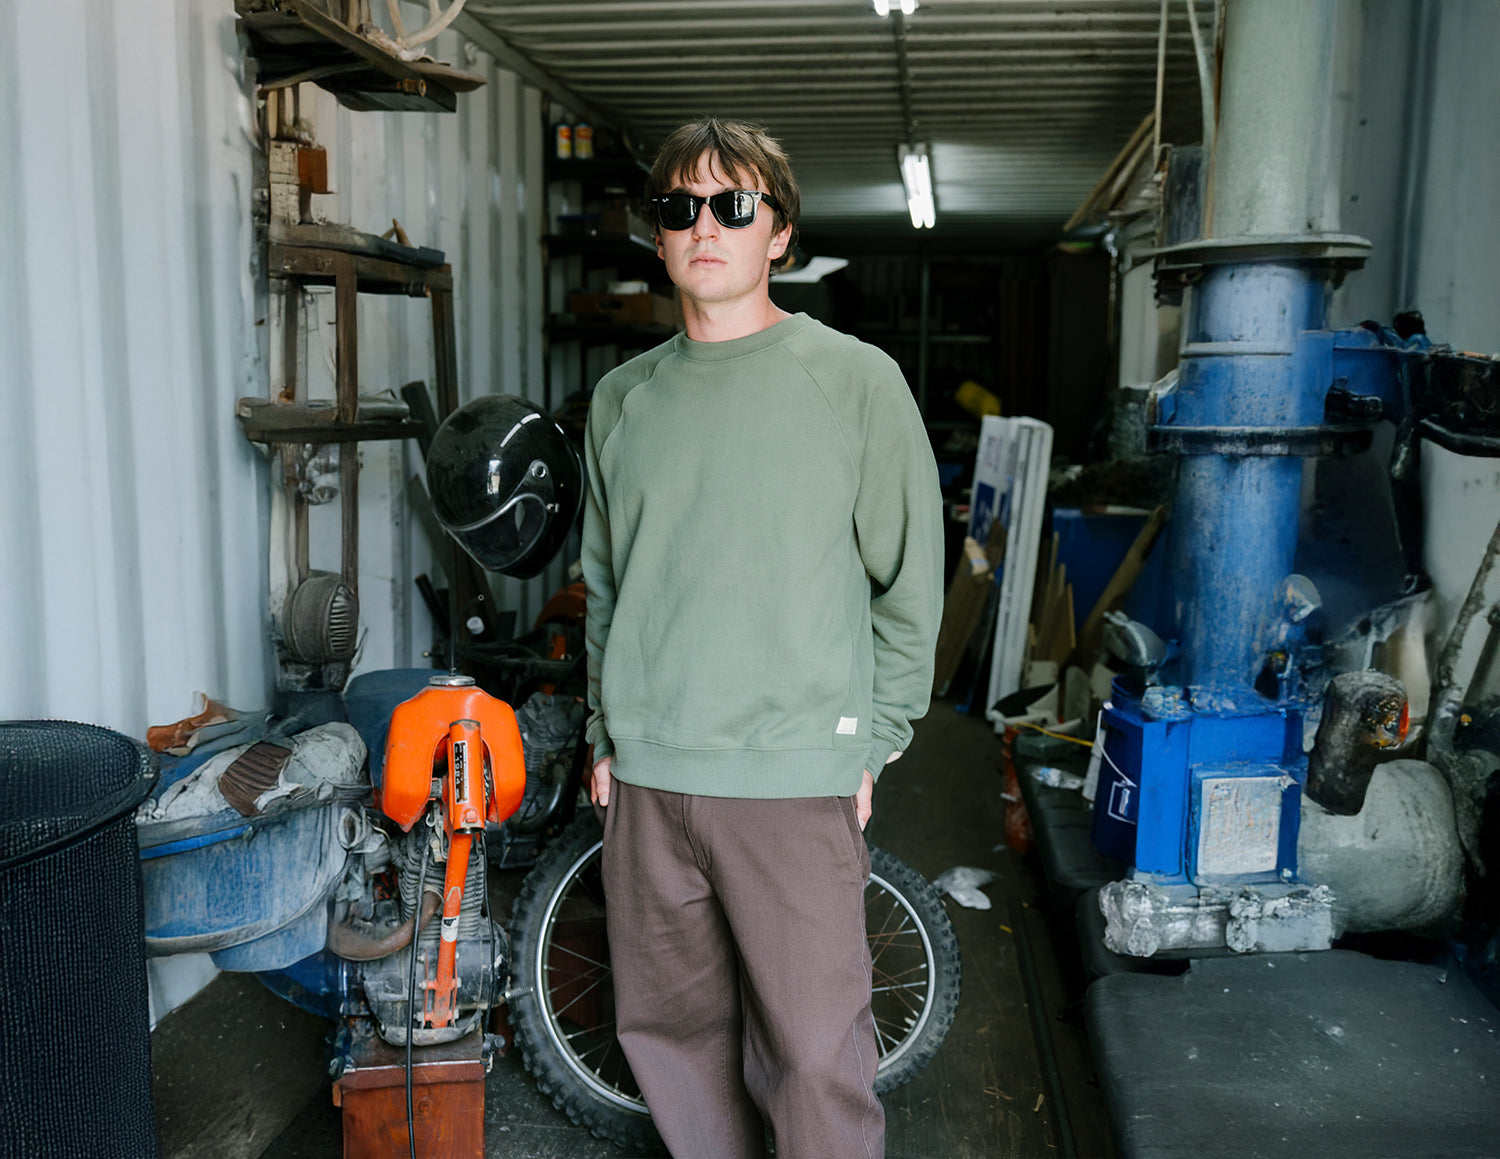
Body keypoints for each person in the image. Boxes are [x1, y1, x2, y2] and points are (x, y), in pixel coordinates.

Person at [580, 117, 943, 1159]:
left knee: (816, 1060)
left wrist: (870, 742)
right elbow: (607, 583)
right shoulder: (621, 403)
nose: (706, 226)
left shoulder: (855, 382)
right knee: (673, 1043)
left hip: (791, 776)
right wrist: (612, 736)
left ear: (777, 233)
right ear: (657, 234)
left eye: (733, 206)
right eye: (680, 207)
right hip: (652, 780)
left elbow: (911, 582)